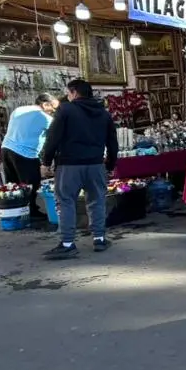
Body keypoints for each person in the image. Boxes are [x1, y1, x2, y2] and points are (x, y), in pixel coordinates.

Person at [39, 78, 118, 259]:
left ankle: (67, 243)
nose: (68, 96)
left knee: (66, 202)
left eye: (68, 93)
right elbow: (112, 142)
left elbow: (53, 137)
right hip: (96, 165)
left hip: (69, 166)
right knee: (96, 201)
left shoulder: (66, 109)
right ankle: (99, 239)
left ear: (74, 92)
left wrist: (45, 161)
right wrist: (111, 165)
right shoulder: (103, 113)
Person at [0, 93, 57, 220]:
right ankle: (30, 210)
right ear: (45, 104)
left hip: (6, 149)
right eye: (53, 108)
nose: (54, 111)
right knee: (31, 183)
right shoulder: (44, 117)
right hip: (25, 154)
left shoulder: (18, 110)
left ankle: (15, 209)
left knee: (13, 183)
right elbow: (55, 136)